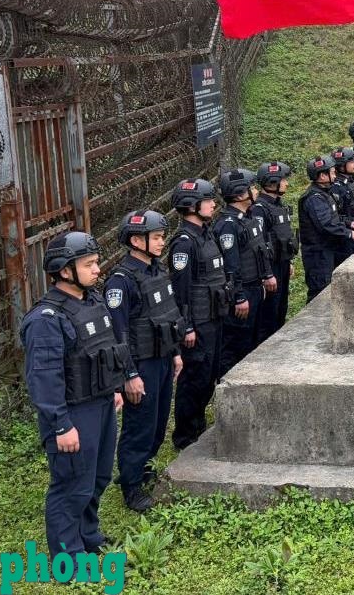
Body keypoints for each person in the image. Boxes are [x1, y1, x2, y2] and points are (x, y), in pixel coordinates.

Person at [20, 231, 129, 556]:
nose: (97, 269)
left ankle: (88, 536)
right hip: (72, 413)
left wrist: (114, 388)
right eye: (89, 264)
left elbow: (105, 349)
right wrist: (61, 425)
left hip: (101, 403)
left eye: (96, 262)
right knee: (72, 486)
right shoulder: (46, 319)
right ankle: (68, 558)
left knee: (97, 478)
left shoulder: (92, 301)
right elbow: (44, 378)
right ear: (65, 271)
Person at [104, 210, 183, 513]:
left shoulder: (156, 271)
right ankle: (131, 485)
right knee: (139, 427)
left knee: (158, 422)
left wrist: (175, 353)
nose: (163, 242)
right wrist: (129, 375)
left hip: (162, 357)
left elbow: (167, 314)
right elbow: (118, 333)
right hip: (141, 364)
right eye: (157, 237)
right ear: (137, 241)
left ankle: (144, 469)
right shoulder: (121, 282)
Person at [169, 179, 228, 451]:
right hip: (198, 322)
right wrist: (188, 326)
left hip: (213, 317)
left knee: (208, 375)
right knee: (194, 379)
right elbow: (181, 290)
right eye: (208, 200)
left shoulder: (206, 234)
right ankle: (185, 436)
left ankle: (198, 426)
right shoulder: (184, 243)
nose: (213, 204)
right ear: (192, 205)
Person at [214, 168, 275, 377]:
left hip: (254, 288)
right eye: (252, 188)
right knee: (236, 345)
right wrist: (239, 296)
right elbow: (231, 265)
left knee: (251, 341)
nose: (256, 191)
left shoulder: (247, 219)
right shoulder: (228, 225)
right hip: (242, 293)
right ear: (240, 195)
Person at [299, 155, 354, 300]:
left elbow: (333, 217)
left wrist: (349, 223)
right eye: (332, 172)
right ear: (322, 176)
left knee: (329, 289)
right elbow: (326, 224)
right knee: (320, 293)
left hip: (327, 250)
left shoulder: (324, 193)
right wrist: (349, 233)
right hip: (317, 254)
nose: (335, 175)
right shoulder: (314, 198)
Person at [249, 162, 298, 345]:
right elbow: (259, 244)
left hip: (282, 263)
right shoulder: (259, 208)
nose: (287, 183)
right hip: (270, 268)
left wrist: (289, 261)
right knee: (269, 314)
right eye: (283, 180)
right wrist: (267, 273)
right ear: (272, 182)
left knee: (281, 309)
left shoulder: (278, 205)